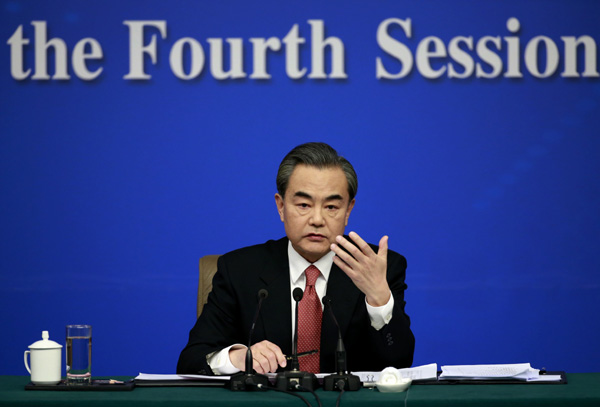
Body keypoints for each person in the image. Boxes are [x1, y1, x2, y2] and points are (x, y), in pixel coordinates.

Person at [177, 142, 414, 375]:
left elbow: (400, 364)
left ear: (348, 211)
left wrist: (379, 298)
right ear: (281, 206)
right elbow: (191, 360)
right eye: (303, 205)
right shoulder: (239, 270)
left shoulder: (378, 268)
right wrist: (236, 357)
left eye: (331, 207)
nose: (317, 220)